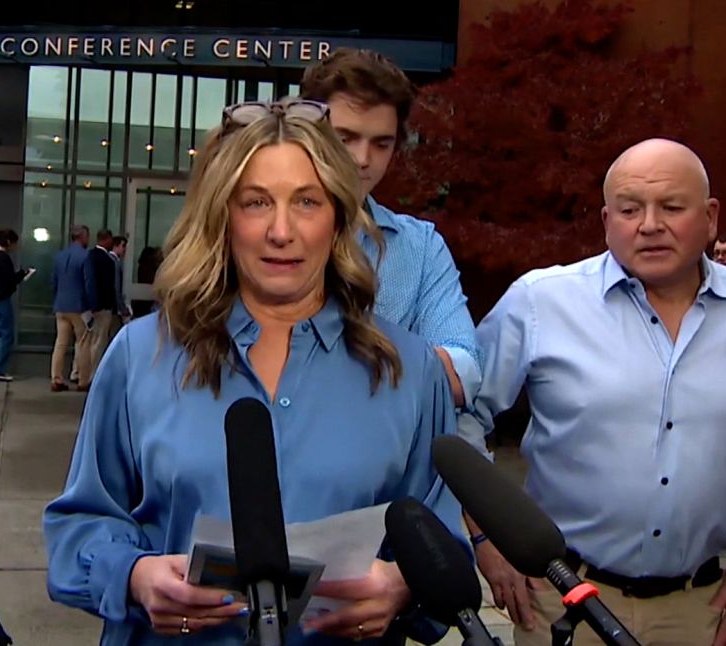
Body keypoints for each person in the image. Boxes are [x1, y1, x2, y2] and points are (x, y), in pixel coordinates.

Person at [43, 99, 466, 645]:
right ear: (223, 215)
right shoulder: (140, 355)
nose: (281, 230)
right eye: (256, 202)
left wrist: (404, 587)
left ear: (338, 215)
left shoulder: (408, 371)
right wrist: (132, 576)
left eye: (307, 202)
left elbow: (443, 547)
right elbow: (77, 525)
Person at [457, 138, 726, 646]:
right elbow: (460, 417)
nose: (650, 224)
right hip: (561, 599)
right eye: (630, 209)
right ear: (607, 221)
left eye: (672, 206)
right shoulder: (540, 302)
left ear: (711, 217)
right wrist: (484, 537)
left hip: (700, 610)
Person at [299, 48, 482, 409]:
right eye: (345, 137)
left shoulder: (421, 246)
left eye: (381, 144)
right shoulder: (260, 233)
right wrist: (412, 364)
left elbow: (464, 372)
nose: (362, 159)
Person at [50, 224, 95, 392]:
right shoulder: (85, 257)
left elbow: (53, 282)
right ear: (83, 237)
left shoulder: (59, 256)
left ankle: (56, 378)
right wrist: (91, 305)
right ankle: (83, 381)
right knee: (83, 343)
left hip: (61, 305)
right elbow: (88, 283)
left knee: (60, 344)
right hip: (79, 306)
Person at [0, 228, 32, 382]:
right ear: (9, 242)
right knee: (6, 335)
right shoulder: (4, 258)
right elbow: (9, 281)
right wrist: (22, 274)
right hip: (2, 300)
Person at [85, 229, 123, 379]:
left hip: (95, 305)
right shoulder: (105, 260)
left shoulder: (91, 256)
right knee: (99, 342)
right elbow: (108, 285)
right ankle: (95, 374)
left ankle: (88, 373)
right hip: (102, 306)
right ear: (106, 240)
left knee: (93, 341)